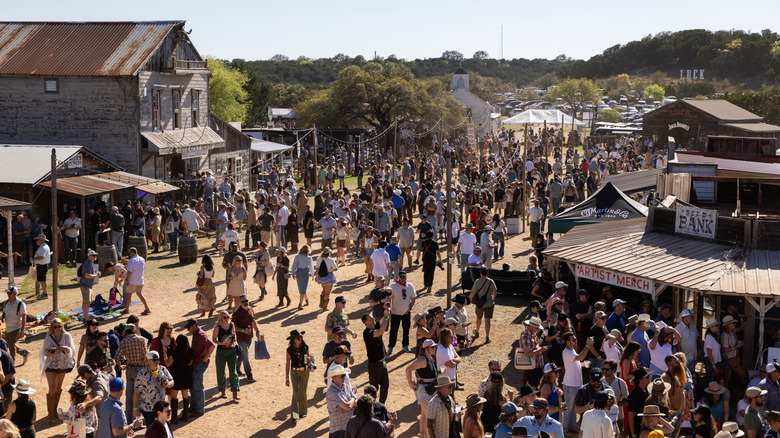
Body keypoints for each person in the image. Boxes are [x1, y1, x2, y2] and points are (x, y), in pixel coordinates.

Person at [39, 318, 73, 424]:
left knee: (58, 388)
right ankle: (50, 414)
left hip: (62, 365)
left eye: (59, 326)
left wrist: (66, 348)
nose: (58, 328)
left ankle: (54, 410)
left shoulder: (67, 336)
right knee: (52, 388)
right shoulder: (48, 338)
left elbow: (72, 350)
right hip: (51, 365)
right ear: (52, 328)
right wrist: (50, 353)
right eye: (55, 326)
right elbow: (43, 352)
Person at [406, 338, 439, 438]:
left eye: (434, 346)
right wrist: (411, 384)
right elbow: (408, 369)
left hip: (429, 389)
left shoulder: (430, 358)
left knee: (424, 415)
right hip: (424, 391)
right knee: (429, 416)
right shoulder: (422, 359)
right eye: (432, 347)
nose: (434, 348)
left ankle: (422, 435)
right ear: (426, 348)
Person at [132, 350, 173, 426]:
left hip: (161, 407)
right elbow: (136, 392)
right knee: (152, 429)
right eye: (154, 360)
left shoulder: (163, 369)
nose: (157, 362)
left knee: (162, 428)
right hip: (148, 408)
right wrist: (135, 408)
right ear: (148, 360)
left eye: (158, 359)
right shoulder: (142, 374)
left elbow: (172, 381)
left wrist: (169, 383)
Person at [185, 318, 214, 418]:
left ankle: (200, 409)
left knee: (198, 386)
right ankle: (194, 406)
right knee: (193, 386)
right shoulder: (197, 333)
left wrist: (206, 357)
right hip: (197, 363)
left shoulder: (200, 335)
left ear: (194, 326)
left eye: (189, 327)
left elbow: (212, 346)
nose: (187, 329)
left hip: (200, 364)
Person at [362, 311, 390, 404]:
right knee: (373, 390)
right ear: (366, 323)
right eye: (370, 318)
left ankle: (381, 406)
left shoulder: (374, 327)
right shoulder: (367, 332)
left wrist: (386, 311)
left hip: (382, 364)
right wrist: (386, 317)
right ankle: (372, 407)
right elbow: (381, 331)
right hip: (374, 365)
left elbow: (382, 322)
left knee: (385, 386)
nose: (373, 319)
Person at [212, 311, 239, 401]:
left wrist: (234, 340)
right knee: (220, 372)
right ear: (221, 318)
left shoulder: (232, 325)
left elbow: (234, 335)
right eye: (225, 317)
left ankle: (235, 392)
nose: (227, 319)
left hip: (231, 350)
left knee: (233, 371)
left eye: (228, 317)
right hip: (221, 351)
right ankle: (223, 391)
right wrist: (221, 343)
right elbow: (213, 339)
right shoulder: (217, 327)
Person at [232, 295, 260, 381]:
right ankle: (249, 375)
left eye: (246, 300)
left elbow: (253, 321)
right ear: (239, 303)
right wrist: (243, 330)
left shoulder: (250, 309)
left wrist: (257, 331)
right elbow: (233, 326)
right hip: (241, 338)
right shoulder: (237, 313)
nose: (245, 302)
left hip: (249, 337)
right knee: (246, 356)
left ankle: (236, 368)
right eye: (243, 301)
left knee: (243, 354)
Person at [285, 330, 311, 423]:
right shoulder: (289, 350)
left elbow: (309, 359)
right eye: (298, 338)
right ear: (293, 339)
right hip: (294, 372)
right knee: (296, 392)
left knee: (303, 391)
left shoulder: (305, 347)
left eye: (301, 337)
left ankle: (303, 411)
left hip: (304, 372)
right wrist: (287, 377)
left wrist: (310, 364)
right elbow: (287, 363)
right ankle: (295, 415)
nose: (300, 339)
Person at [388, 271, 416, 355]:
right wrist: (389, 308)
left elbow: (413, 298)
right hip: (395, 312)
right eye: (401, 277)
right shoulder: (393, 286)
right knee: (393, 330)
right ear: (398, 277)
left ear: (406, 277)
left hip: (406, 313)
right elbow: (389, 298)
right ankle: (391, 347)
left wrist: (410, 308)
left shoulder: (410, 286)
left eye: (404, 277)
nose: (402, 278)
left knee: (406, 330)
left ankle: (405, 345)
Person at [326, 364, 356, 438]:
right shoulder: (331, 392)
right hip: (339, 430)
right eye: (342, 376)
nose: (344, 378)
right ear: (334, 378)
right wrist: (353, 399)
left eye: (344, 375)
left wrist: (352, 400)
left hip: (348, 427)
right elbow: (348, 406)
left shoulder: (345, 386)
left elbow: (354, 401)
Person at [469, 267, 497, 344]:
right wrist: (492, 300)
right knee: (487, 320)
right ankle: (487, 336)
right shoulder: (491, 282)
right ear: (487, 273)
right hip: (489, 303)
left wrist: (470, 299)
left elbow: (473, 293)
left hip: (479, 303)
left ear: (480, 273)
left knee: (478, 318)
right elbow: (495, 292)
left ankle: (477, 331)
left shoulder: (477, 281)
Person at [168, 334, 193, 424]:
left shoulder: (175, 352)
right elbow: (190, 362)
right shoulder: (190, 351)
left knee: (174, 396)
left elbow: (168, 363)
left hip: (176, 374)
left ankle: (174, 418)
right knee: (185, 394)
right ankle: (185, 415)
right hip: (186, 373)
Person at [520, 316, 548, 387]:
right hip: (531, 368)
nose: (538, 329)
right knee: (532, 389)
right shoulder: (525, 336)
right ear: (531, 326)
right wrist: (541, 350)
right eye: (537, 328)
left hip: (536, 366)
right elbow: (527, 353)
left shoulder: (532, 334)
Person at [2, 287, 28, 364]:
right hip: (8, 328)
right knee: (8, 344)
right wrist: (1, 319)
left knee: (11, 346)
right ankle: (24, 353)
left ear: (15, 293)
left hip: (16, 328)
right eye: (7, 293)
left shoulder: (20, 304)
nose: (8, 294)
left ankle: (11, 363)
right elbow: (4, 313)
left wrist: (22, 331)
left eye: (10, 293)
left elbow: (24, 317)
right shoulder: (6, 302)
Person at [626, 367, 651, 438]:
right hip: (638, 429)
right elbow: (631, 417)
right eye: (647, 377)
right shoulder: (634, 395)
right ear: (640, 379)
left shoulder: (647, 390)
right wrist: (633, 434)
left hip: (646, 427)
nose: (649, 378)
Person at [124, 247, 150, 315]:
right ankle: (147, 308)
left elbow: (129, 271)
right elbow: (144, 268)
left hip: (132, 281)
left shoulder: (131, 260)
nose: (129, 254)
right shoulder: (142, 259)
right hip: (140, 280)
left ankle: (127, 309)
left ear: (132, 253)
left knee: (129, 295)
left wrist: (126, 279)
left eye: (129, 253)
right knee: (140, 294)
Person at [290, 245, 315, 310]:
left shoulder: (297, 256)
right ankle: (300, 304)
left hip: (299, 272)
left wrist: (293, 273)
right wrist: (312, 275)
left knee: (301, 288)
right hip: (305, 272)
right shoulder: (309, 258)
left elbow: (294, 265)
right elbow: (311, 267)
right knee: (303, 288)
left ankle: (306, 300)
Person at [31, 234, 50, 300]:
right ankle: (44, 293)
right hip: (42, 265)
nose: (37, 241)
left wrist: (34, 259)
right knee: (43, 280)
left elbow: (42, 257)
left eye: (38, 239)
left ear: (41, 240)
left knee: (42, 280)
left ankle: (45, 294)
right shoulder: (43, 246)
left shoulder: (43, 248)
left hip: (42, 265)